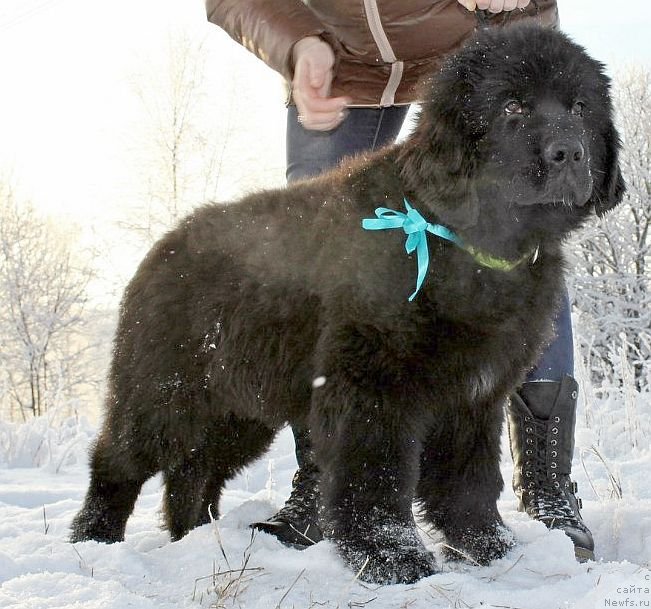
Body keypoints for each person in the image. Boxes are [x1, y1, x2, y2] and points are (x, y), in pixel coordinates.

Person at [205, 0, 594, 562]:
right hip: (343, 53)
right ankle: (329, 479)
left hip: (485, 37)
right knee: (315, 246)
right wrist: (297, 44)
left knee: (518, 243)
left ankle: (549, 486)